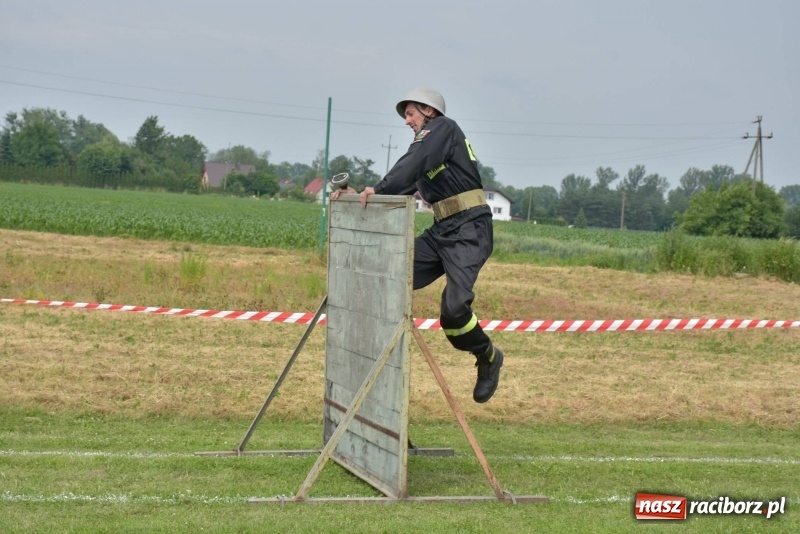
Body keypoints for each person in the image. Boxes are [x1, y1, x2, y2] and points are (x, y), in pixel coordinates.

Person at [332, 87, 503, 403]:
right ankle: (380, 374)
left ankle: (487, 355)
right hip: (442, 230)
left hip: (470, 230)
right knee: (389, 270)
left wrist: (381, 185)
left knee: (453, 313)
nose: (407, 121)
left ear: (430, 111)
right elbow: (396, 191)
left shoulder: (442, 129)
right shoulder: (427, 153)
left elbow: (409, 165)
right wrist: (356, 196)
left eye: (410, 113)